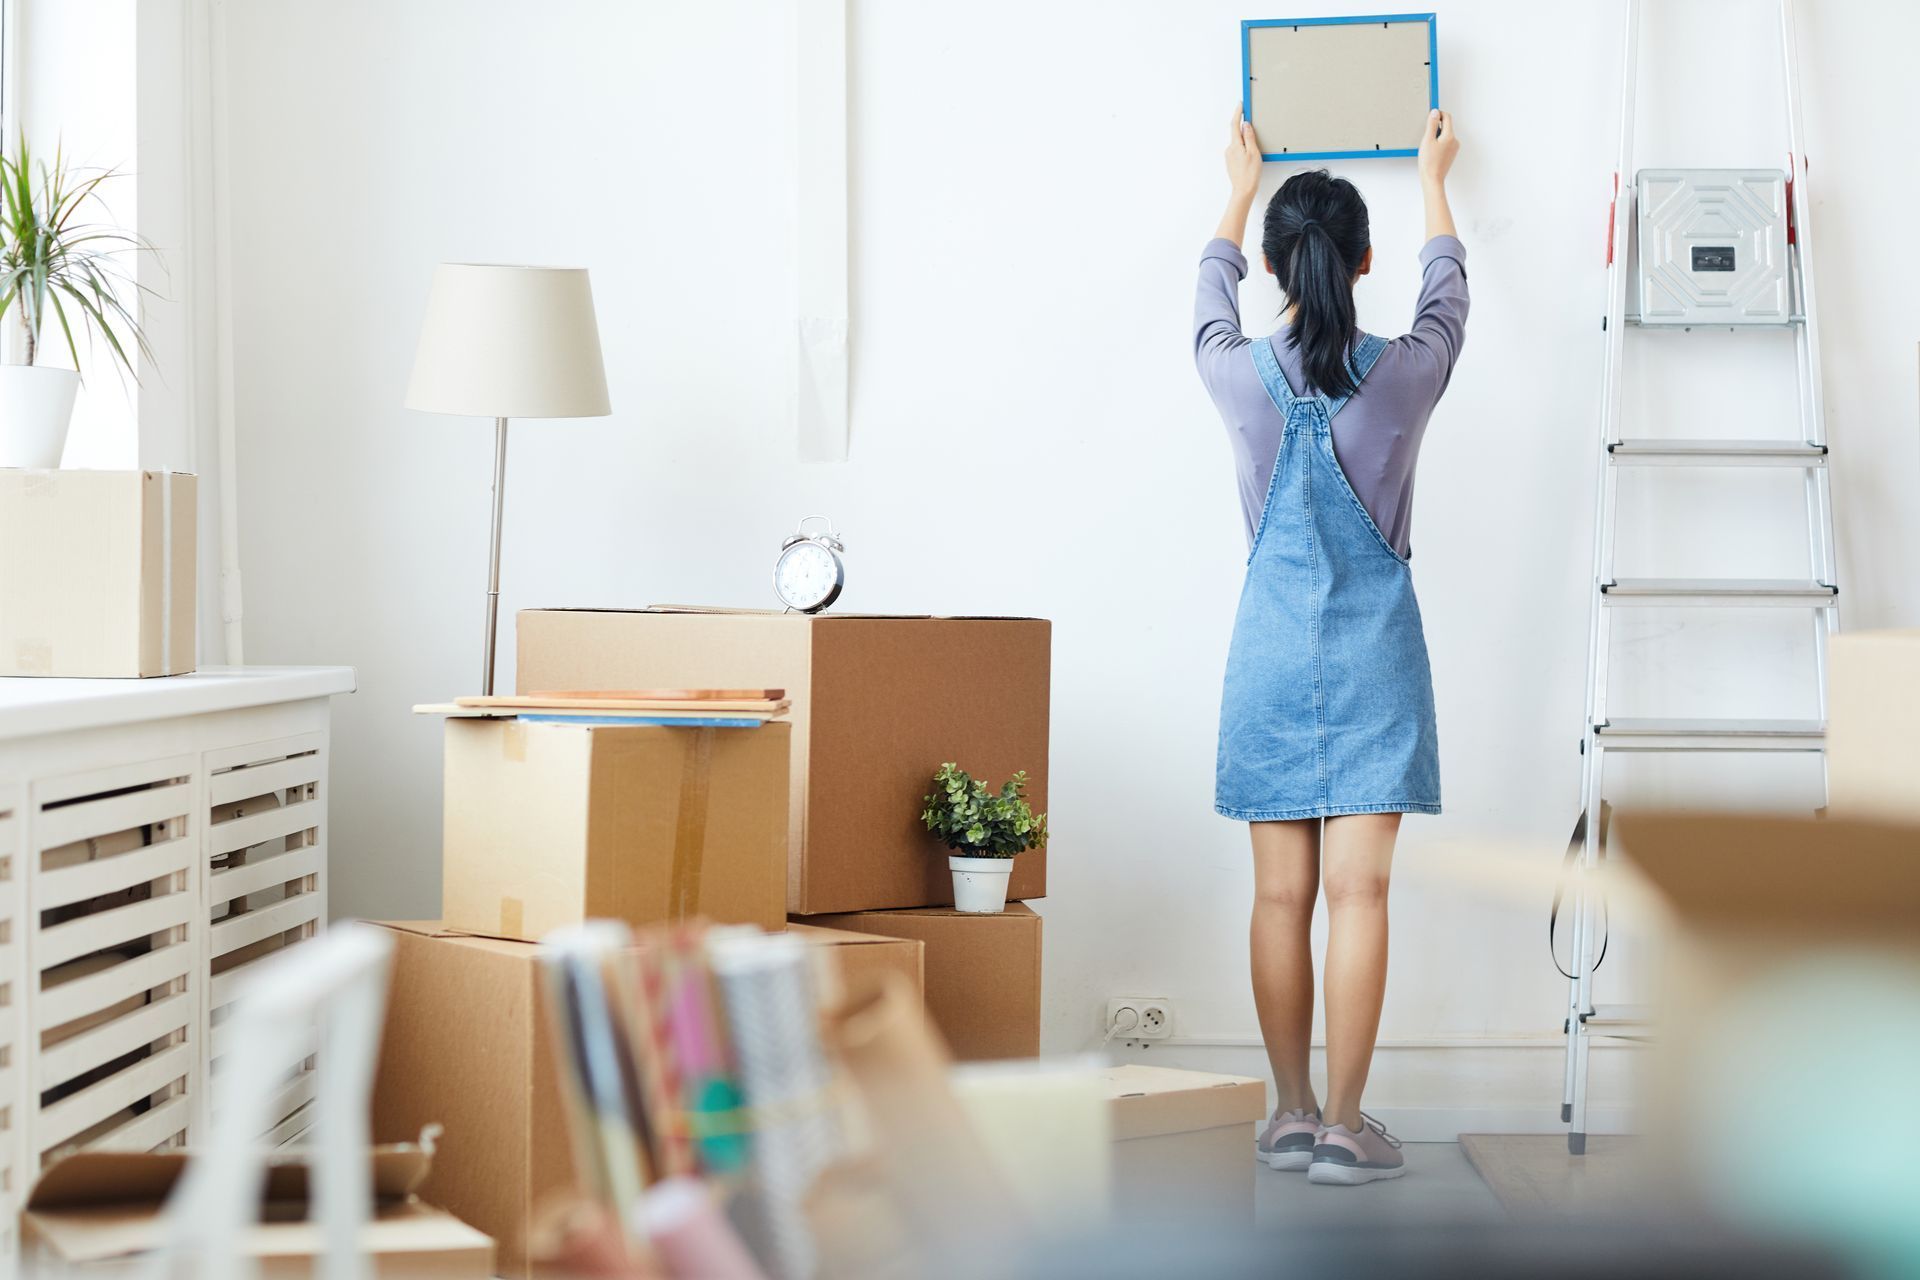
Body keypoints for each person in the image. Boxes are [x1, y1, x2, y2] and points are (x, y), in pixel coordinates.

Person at [1194, 107, 1466, 1185]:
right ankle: (1350, 1127)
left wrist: (1234, 185)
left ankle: (1290, 1112)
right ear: (1362, 260)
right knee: (1361, 895)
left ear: (1274, 264)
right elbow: (1449, 295)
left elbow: (1206, 295)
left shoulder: (1233, 373)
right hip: (1376, 660)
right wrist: (1434, 176)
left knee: (1277, 898)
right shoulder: (1404, 372)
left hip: (1266, 657)